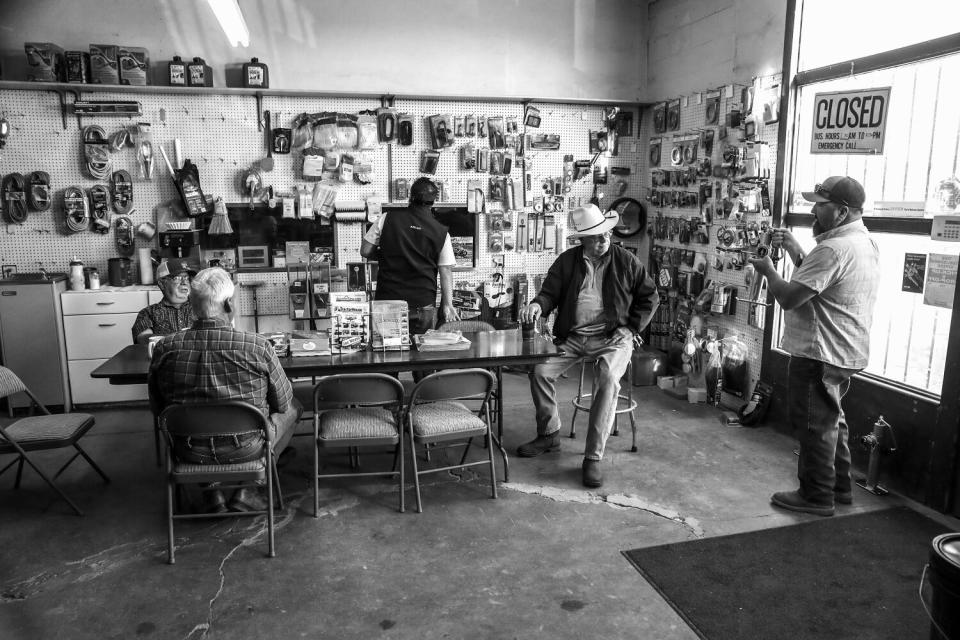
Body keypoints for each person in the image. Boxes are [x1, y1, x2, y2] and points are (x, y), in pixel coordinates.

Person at [748, 176, 880, 517]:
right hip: (844, 349)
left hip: (819, 351)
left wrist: (768, 270)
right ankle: (839, 488)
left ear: (841, 210)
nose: (813, 211)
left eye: (820, 205)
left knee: (814, 425)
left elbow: (792, 297)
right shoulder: (862, 241)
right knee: (831, 419)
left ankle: (816, 496)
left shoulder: (833, 249)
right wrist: (794, 250)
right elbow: (822, 280)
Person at [516, 204, 659, 488]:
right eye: (595, 236)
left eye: (605, 234)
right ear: (582, 239)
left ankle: (593, 457)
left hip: (612, 338)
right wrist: (536, 304)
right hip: (573, 337)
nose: (602, 240)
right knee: (541, 372)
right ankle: (550, 433)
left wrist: (631, 328)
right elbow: (549, 294)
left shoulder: (627, 261)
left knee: (607, 379)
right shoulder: (567, 261)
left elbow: (650, 297)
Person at [148, 267, 302, 513]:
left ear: (192, 303)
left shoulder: (165, 348)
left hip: (187, 448)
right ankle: (251, 486)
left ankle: (211, 494)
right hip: (246, 446)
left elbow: (158, 409)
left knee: (190, 418)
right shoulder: (257, 347)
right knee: (294, 407)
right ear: (229, 303)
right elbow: (282, 404)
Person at [359, 176, 460, 342]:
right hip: (422, 302)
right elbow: (445, 270)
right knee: (421, 356)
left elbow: (365, 250)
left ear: (410, 197)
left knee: (387, 354)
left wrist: (385, 255)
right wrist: (448, 305)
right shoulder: (441, 232)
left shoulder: (386, 218)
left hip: (388, 299)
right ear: (433, 202)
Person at [131, 258, 197, 344]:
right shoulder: (148, 313)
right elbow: (143, 340)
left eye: (187, 278)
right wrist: (180, 339)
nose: (184, 282)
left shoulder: (200, 309)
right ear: (162, 284)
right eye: (177, 278)